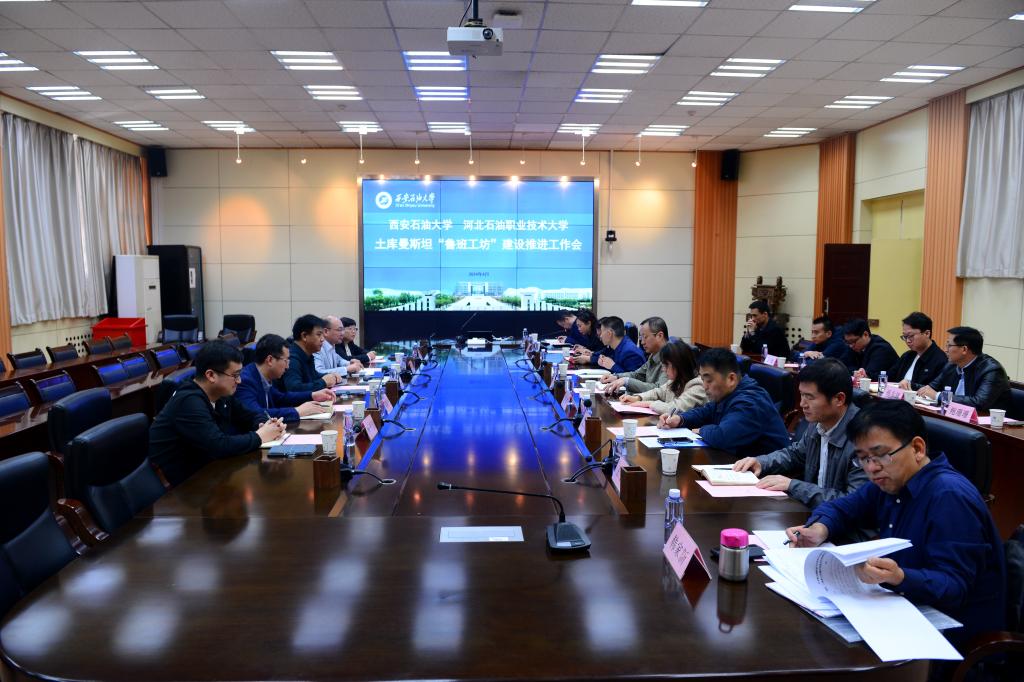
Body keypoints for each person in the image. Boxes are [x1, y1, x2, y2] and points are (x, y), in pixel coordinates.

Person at [785, 400, 1005, 647]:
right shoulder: (891, 481)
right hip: (902, 608)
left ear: (917, 448)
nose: (872, 468)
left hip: (951, 633)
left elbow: (955, 587)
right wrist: (819, 529)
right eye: (863, 459)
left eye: (881, 455)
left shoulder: (949, 497)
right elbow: (842, 508)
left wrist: (901, 577)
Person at [733, 358, 868, 509]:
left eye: (810, 397)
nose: (803, 404)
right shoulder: (818, 422)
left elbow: (853, 503)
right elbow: (796, 454)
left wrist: (793, 486)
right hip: (817, 514)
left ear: (839, 399)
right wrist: (761, 462)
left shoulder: (864, 440)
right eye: (802, 395)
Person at [149, 341, 285, 486]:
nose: (239, 381)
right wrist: (260, 436)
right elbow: (219, 445)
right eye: (235, 375)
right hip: (180, 486)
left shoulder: (220, 394)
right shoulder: (188, 401)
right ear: (211, 375)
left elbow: (250, 415)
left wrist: (266, 425)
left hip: (208, 472)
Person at [659, 348, 789, 457]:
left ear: (731, 378)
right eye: (703, 380)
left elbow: (723, 436)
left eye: (709, 380)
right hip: (739, 462)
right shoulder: (728, 393)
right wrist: (680, 419)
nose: (704, 386)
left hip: (768, 474)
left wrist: (702, 430)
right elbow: (706, 411)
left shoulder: (750, 401)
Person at [237, 334, 336, 422]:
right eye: (286, 360)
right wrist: (297, 411)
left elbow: (280, 398)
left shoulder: (263, 375)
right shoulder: (245, 380)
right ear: (270, 360)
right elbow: (256, 413)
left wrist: (312, 395)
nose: (288, 366)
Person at [919, 326, 1012, 411]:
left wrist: (939, 396)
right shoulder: (952, 365)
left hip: (986, 421)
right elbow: (931, 388)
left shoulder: (992, 370)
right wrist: (912, 385)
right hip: (955, 416)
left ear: (964, 349)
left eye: (949, 345)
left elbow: (979, 403)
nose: (945, 349)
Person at [620, 340, 706, 415]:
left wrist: (649, 404)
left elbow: (675, 408)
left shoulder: (698, 385)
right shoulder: (676, 381)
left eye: (666, 365)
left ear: (679, 365)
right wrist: (637, 398)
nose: (663, 369)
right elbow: (657, 392)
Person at [601, 316, 669, 393]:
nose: (642, 342)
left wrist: (627, 381)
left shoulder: (671, 357)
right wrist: (616, 376)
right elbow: (638, 374)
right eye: (641, 337)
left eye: (645, 337)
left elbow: (660, 390)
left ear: (660, 336)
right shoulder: (654, 354)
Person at [279, 314, 344, 393]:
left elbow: (314, 376)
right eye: (319, 335)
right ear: (304, 336)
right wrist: (323, 382)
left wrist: (331, 376)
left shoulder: (308, 354)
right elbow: (294, 389)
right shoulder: (292, 358)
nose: (322, 339)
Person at [890, 312, 947, 391]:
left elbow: (934, 390)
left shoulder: (940, 360)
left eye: (911, 336)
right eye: (905, 336)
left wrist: (911, 386)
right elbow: (890, 378)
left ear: (927, 334)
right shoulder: (907, 356)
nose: (908, 341)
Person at [573, 316, 645, 373]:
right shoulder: (614, 346)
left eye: (602, 332)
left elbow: (633, 379)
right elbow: (602, 356)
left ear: (609, 333)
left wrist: (613, 366)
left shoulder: (630, 352)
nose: (600, 336)